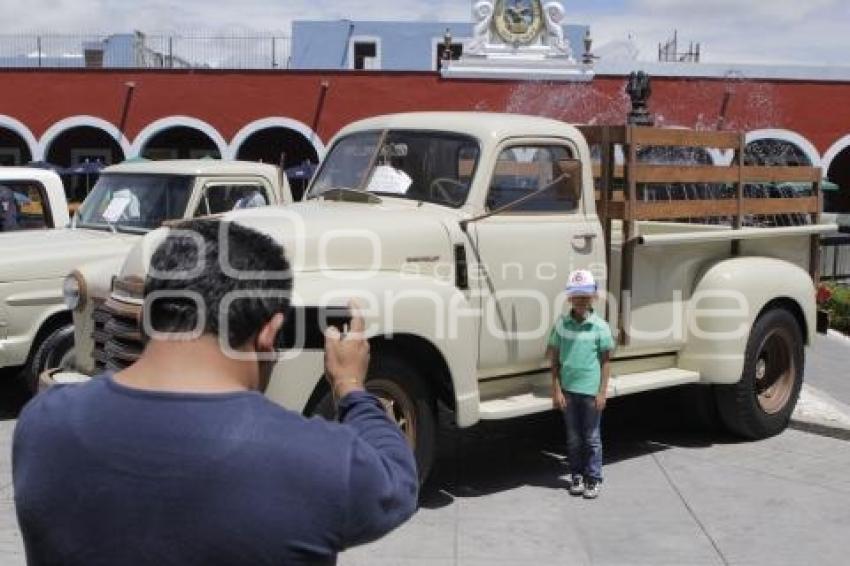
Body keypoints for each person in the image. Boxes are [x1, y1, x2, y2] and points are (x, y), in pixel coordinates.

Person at [13, 219, 418, 565]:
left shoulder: (42, 425)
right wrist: (350, 386)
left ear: (145, 317)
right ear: (269, 333)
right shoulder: (317, 460)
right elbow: (398, 482)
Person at [547, 269, 615, 499]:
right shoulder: (562, 325)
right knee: (574, 438)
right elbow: (554, 360)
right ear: (569, 298)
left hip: (590, 393)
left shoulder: (600, 326)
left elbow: (606, 362)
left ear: (593, 297)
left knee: (592, 438)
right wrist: (556, 389)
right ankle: (576, 475)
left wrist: (602, 392)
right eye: (576, 296)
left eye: (585, 296)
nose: (580, 301)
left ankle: (593, 478)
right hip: (568, 392)